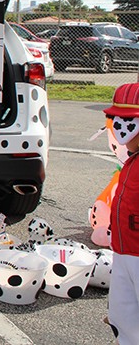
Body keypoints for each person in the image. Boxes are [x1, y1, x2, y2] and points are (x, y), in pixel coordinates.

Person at [104, 83, 139, 345]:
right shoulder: (131, 160)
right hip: (123, 251)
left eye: (129, 121)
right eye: (116, 119)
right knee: (121, 316)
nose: (120, 128)